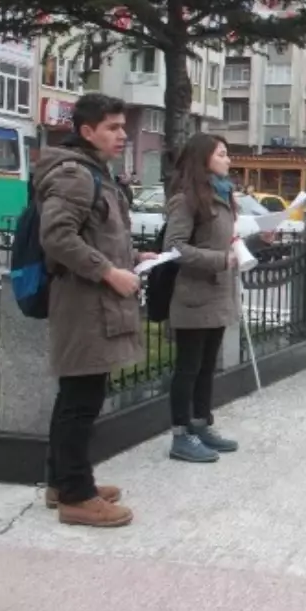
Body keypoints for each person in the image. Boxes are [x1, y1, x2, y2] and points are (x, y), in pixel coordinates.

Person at [37, 92, 155, 527]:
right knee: (80, 401)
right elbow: (58, 238)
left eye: (123, 127)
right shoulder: (74, 175)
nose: (122, 135)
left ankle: (63, 480)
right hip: (84, 304)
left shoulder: (97, 174)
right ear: (87, 132)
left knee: (77, 398)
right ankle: (76, 496)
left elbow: (96, 233)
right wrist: (109, 272)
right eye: (112, 128)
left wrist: (132, 258)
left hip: (96, 300)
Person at [163, 133, 246, 464]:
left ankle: (201, 424)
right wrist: (219, 260)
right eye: (222, 154)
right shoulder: (186, 199)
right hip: (194, 296)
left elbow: (227, 242)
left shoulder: (222, 196)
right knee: (189, 367)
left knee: (207, 366)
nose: (229, 160)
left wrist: (258, 242)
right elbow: (175, 246)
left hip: (219, 293)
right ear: (204, 159)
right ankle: (181, 435)